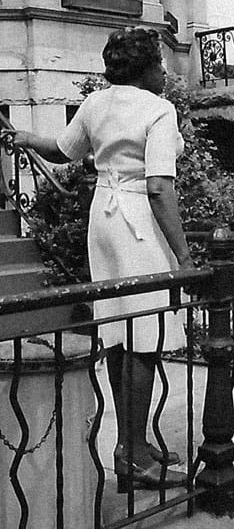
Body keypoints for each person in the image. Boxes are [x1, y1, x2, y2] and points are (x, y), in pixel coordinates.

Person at [5, 27, 191, 489]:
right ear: (147, 67)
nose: (164, 72)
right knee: (144, 331)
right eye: (159, 64)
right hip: (138, 222)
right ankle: (133, 454)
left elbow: (64, 151)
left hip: (103, 222)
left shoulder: (96, 104)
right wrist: (186, 259)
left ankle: (133, 445)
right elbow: (159, 186)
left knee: (117, 325)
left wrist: (27, 136)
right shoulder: (158, 109)